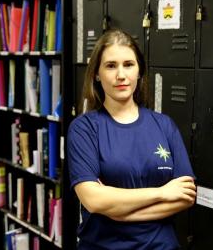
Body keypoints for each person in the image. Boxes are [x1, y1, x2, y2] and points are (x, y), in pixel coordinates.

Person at [67, 29, 196, 250]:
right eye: (110, 66)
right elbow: (93, 200)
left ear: (139, 71)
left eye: (128, 64)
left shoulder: (164, 125)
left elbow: (185, 196)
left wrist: (118, 211)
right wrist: (162, 192)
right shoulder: (84, 128)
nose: (121, 75)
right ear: (97, 74)